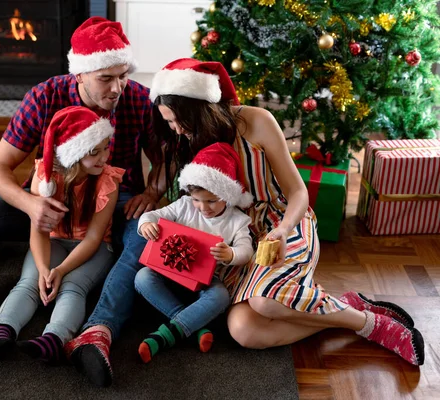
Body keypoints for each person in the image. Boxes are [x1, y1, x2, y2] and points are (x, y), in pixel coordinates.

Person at [0, 17, 163, 365]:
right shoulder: (44, 97)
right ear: (80, 74)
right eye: (106, 78)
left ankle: (98, 329)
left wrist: (154, 193)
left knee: (149, 237)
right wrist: (31, 204)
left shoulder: (138, 100)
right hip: (46, 200)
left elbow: (165, 158)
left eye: (123, 76)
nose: (117, 88)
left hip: (114, 200)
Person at [147, 57, 425, 367]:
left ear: (197, 108)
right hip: (241, 238)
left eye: (176, 121)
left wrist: (281, 230)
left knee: (265, 302)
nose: (175, 130)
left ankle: (369, 325)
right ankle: (341, 310)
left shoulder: (257, 122)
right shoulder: (192, 141)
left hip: (284, 222)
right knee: (244, 330)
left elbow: (298, 192)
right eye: (169, 123)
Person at [0, 106, 124, 363]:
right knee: (29, 282)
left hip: (93, 247)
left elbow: (94, 238)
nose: (104, 157)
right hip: (54, 240)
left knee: (72, 287)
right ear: (74, 153)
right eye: (95, 152)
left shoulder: (108, 182)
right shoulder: (46, 178)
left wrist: (59, 271)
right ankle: (3, 329)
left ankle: (54, 339)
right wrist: (43, 268)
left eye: (106, 147)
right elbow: (38, 231)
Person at [135, 142, 254, 363]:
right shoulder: (184, 205)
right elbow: (150, 216)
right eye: (198, 200)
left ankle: (167, 334)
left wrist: (231, 255)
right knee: (142, 277)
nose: (203, 207)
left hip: (207, 281)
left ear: (227, 196)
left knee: (221, 296)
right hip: (171, 275)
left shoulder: (237, 220)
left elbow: (246, 251)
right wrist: (145, 226)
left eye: (211, 201)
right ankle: (193, 325)